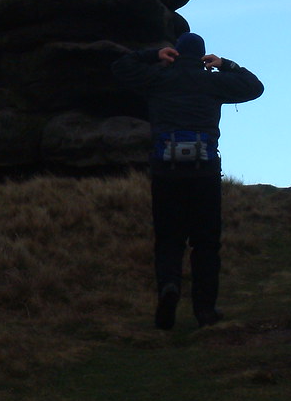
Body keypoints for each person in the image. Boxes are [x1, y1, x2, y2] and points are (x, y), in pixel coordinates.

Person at [112, 32, 264, 329]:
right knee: (206, 242)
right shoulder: (213, 82)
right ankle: (205, 310)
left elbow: (120, 67)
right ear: (202, 56)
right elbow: (255, 88)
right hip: (204, 170)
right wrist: (225, 64)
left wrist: (154, 54)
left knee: (169, 239)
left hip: (165, 169)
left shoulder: (157, 79)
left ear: (177, 54)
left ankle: (169, 287)